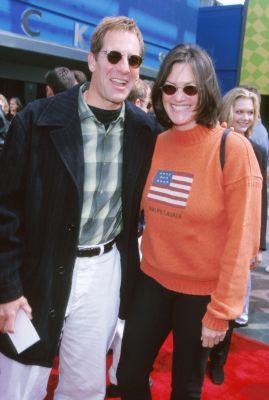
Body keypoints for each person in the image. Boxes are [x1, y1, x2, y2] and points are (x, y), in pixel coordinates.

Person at [0, 16, 160, 400]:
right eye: (114, 56)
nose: (124, 69)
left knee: (86, 387)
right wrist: (7, 287)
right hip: (39, 270)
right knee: (19, 385)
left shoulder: (145, 132)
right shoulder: (35, 120)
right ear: (92, 60)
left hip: (104, 273)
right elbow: (5, 209)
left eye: (134, 61)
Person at [117, 43, 262, 400]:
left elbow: (242, 238)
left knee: (185, 389)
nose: (178, 97)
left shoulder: (234, 149)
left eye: (190, 88)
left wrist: (222, 311)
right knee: (129, 374)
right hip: (151, 281)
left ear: (206, 91)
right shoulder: (158, 142)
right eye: (169, 87)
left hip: (202, 295)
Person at [208, 86, 268, 385]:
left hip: (239, 240)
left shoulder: (257, 151)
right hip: (209, 239)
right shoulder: (212, 142)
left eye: (250, 112)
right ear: (227, 109)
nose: (245, 117)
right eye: (240, 110)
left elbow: (261, 201)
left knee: (230, 302)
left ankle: (218, 359)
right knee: (202, 300)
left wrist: (257, 244)